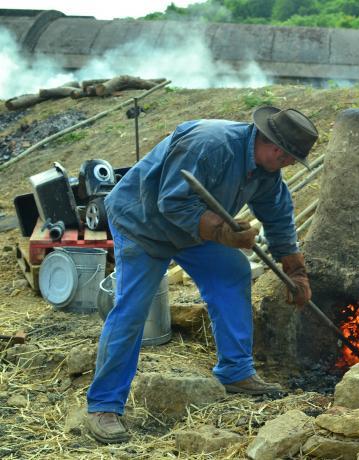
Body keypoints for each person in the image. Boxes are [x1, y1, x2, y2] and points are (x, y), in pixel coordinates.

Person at [85, 106, 317, 444]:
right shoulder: (211, 144)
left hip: (193, 231)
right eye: (291, 157)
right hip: (143, 222)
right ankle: (104, 404)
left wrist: (296, 271)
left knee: (233, 271)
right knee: (134, 308)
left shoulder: (266, 172)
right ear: (276, 148)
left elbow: (279, 217)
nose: (292, 164)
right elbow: (172, 202)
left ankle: (235, 371)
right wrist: (223, 232)